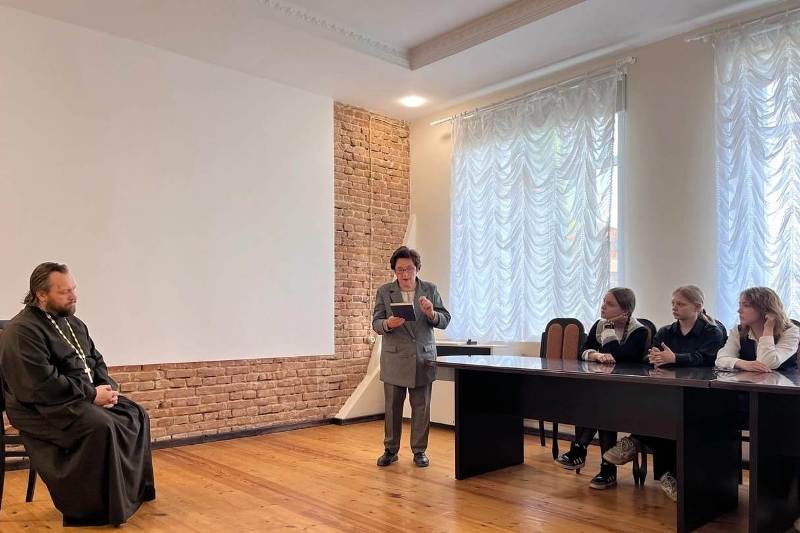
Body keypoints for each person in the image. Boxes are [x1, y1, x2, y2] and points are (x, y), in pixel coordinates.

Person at [0, 263, 155, 526]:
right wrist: (92, 396)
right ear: (41, 294)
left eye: (74, 289)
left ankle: (132, 494)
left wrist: (106, 389)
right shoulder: (22, 331)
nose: (74, 296)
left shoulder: (73, 323)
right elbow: (40, 384)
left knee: (135, 413)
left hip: (78, 396)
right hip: (39, 406)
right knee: (101, 426)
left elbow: (96, 360)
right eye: (65, 292)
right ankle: (94, 509)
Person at [603, 285, 725, 501]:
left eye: (680, 304)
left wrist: (675, 358)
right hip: (669, 391)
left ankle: (637, 439)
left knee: (670, 415)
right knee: (658, 410)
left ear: (697, 307)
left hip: (701, 395)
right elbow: (650, 355)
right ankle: (668, 474)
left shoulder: (712, 331)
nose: (674, 307)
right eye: (673, 303)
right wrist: (654, 358)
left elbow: (708, 359)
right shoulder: (666, 331)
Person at [554, 287, 649, 489]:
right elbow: (583, 351)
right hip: (605, 392)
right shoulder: (598, 324)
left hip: (630, 394)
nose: (603, 306)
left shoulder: (639, 331)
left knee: (603, 405)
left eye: (610, 304)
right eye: (604, 302)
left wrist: (608, 330)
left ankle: (580, 450)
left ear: (625, 311)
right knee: (601, 405)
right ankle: (606, 470)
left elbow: (619, 357)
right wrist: (595, 355)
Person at [372, 246, 450, 467]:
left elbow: (445, 319)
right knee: (392, 408)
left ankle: (419, 451)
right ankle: (390, 450)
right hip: (394, 358)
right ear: (394, 271)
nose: (405, 274)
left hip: (422, 359)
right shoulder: (384, 291)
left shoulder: (430, 289)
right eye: (400, 270)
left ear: (417, 269)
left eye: (409, 269)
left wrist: (431, 313)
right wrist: (388, 324)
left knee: (421, 408)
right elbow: (376, 323)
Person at [715, 286, 799, 372]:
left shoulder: (791, 331)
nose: (739, 310)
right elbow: (721, 359)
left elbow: (767, 363)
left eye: (746, 305)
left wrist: (768, 328)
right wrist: (743, 364)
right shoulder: (738, 330)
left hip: (782, 379)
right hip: (748, 380)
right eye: (740, 305)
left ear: (765, 309)